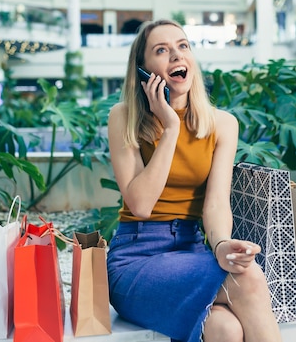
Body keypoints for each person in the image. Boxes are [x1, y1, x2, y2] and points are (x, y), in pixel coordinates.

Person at [106, 19, 283, 342]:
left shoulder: (222, 125)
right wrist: (170, 127)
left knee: (225, 330)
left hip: (190, 252)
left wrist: (221, 244)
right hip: (135, 259)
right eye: (162, 50)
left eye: (182, 46)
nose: (176, 55)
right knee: (249, 278)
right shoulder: (124, 117)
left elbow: (216, 203)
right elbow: (141, 204)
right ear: (144, 71)